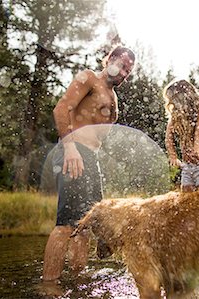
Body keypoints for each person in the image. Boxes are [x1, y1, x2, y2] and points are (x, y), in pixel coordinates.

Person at [41, 45, 135, 290]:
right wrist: (70, 147)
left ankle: (78, 283)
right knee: (66, 224)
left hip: (90, 159)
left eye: (129, 70)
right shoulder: (89, 78)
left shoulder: (113, 98)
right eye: (123, 65)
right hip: (73, 151)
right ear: (110, 59)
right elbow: (62, 109)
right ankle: (48, 287)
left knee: (85, 226)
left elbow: (101, 133)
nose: (125, 73)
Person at [163, 79, 199, 192]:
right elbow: (168, 137)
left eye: (172, 99)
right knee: (188, 205)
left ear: (181, 96)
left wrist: (196, 152)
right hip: (188, 165)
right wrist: (173, 156)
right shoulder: (176, 113)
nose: (171, 103)